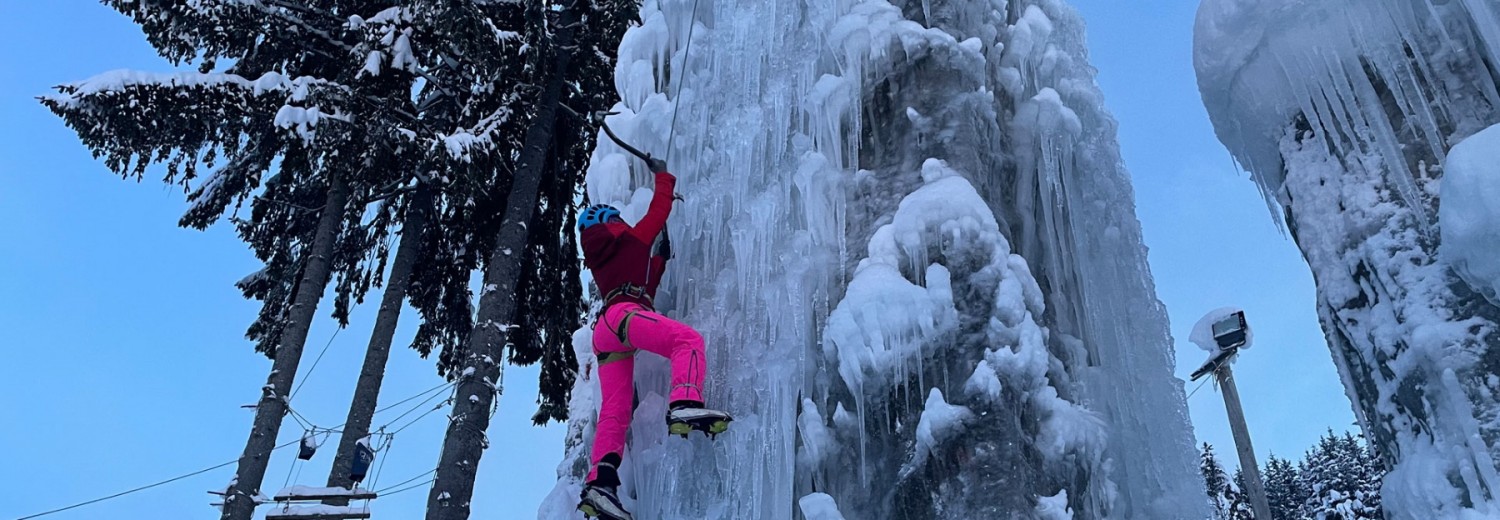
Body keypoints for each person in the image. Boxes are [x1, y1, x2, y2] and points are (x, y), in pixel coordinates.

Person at [575, 158, 732, 520]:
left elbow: (643, 282)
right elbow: (656, 215)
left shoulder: (610, 255)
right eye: (616, 219)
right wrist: (663, 177)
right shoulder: (624, 239)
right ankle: (684, 402)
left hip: (608, 331)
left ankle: (600, 483)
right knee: (687, 340)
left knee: (615, 413)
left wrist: (659, 257)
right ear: (608, 222)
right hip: (623, 317)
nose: (622, 222)